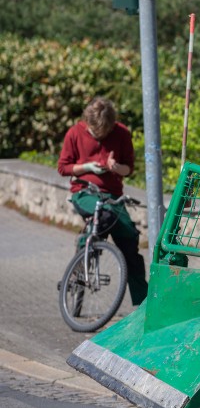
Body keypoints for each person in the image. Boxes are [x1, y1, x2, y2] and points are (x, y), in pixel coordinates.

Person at [57, 97, 148, 306]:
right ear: (87, 123)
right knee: (104, 215)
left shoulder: (122, 133)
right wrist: (88, 167)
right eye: (95, 132)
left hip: (112, 195)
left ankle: (143, 305)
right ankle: (82, 255)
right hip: (85, 191)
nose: (100, 136)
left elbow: (129, 169)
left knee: (129, 240)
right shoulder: (75, 133)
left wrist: (116, 168)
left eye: (105, 132)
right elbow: (63, 167)